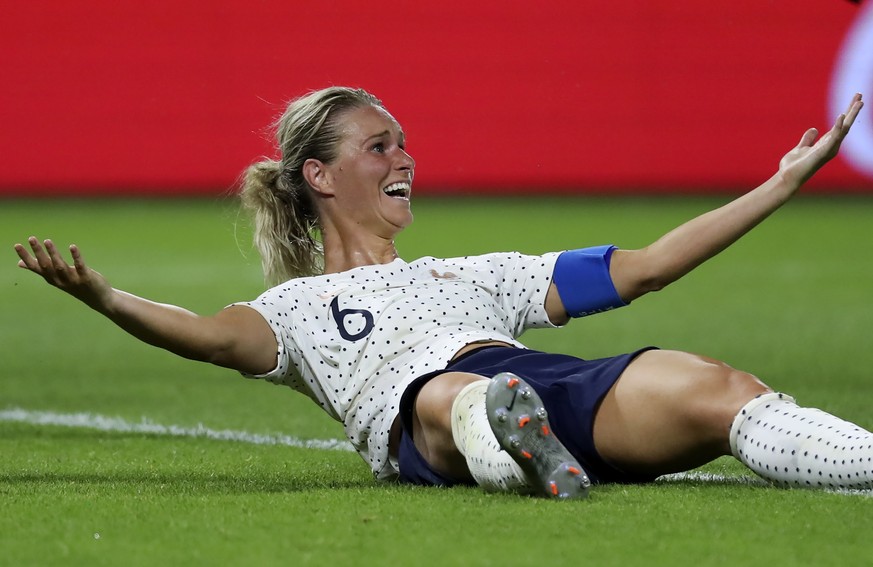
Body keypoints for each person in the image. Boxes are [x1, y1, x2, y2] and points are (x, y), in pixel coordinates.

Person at [14, 87, 869, 499]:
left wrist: (778, 186)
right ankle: (503, 444)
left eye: (404, 143)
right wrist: (104, 296)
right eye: (380, 146)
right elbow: (200, 331)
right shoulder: (293, 313)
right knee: (455, 395)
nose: (404, 158)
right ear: (319, 174)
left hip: (542, 387)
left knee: (713, 384)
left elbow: (642, 267)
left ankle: (862, 462)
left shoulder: (474, 274)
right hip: (425, 416)